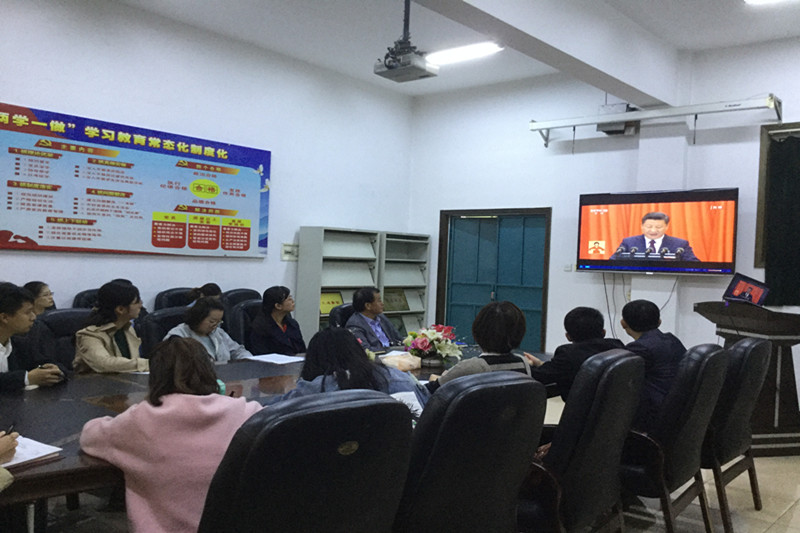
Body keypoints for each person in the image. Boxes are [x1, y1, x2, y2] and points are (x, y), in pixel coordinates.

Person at [80, 337, 262, 533]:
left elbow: (89, 436)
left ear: (155, 377)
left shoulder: (141, 419)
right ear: (209, 370)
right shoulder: (247, 411)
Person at [272, 328, 429, 408]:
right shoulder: (399, 378)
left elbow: (268, 414)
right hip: (403, 456)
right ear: (357, 351)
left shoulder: (313, 389)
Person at [426, 301, 532, 394]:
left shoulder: (473, 366)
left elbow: (428, 392)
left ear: (478, 331)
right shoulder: (523, 363)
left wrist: (436, 380)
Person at [527, 307, 624, 401]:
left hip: (584, 411)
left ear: (568, 336)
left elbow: (538, 376)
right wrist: (540, 363)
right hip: (617, 408)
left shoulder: (567, 354)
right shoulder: (617, 347)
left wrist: (527, 365)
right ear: (603, 332)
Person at [621, 299, 687, 432]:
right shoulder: (672, 340)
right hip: (680, 410)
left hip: (655, 418)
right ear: (659, 322)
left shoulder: (639, 349)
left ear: (623, 323)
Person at [0, 282, 65, 391]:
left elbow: (49, 363)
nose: (33, 317)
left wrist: (54, 370)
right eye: (28, 312)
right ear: (5, 318)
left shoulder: (19, 343)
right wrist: (26, 378)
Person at [73, 280, 149, 373]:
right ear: (120, 309)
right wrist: (148, 364)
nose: (141, 305)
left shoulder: (127, 328)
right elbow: (104, 364)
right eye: (137, 302)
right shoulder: (89, 335)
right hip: (96, 381)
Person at [165, 297, 252, 362]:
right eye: (212, 321)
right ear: (198, 317)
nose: (215, 325)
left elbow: (237, 351)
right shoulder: (178, 336)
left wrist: (248, 359)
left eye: (218, 321)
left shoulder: (218, 332)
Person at [612, 212, 699, 261]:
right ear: (642, 226)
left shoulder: (680, 244)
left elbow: (694, 264)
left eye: (658, 227)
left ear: (666, 227)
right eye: (649, 227)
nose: (653, 230)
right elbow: (612, 261)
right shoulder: (629, 242)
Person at [249, 286, 306, 355]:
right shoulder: (260, 328)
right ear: (278, 306)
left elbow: (302, 349)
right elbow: (261, 354)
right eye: (289, 299)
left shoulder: (293, 324)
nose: (292, 301)